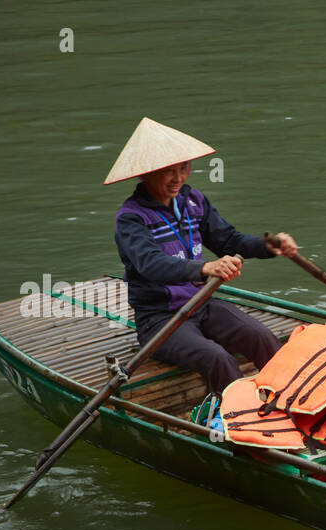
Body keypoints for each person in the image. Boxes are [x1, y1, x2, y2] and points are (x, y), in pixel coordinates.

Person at [104, 117, 299, 396]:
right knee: (218, 358)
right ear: (144, 175)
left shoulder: (193, 201)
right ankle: (238, 424)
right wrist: (206, 268)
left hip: (202, 304)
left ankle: (292, 401)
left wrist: (269, 246)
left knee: (262, 337)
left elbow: (229, 241)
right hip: (159, 319)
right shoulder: (131, 218)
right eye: (168, 171)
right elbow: (150, 264)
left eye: (183, 168)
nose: (178, 178)